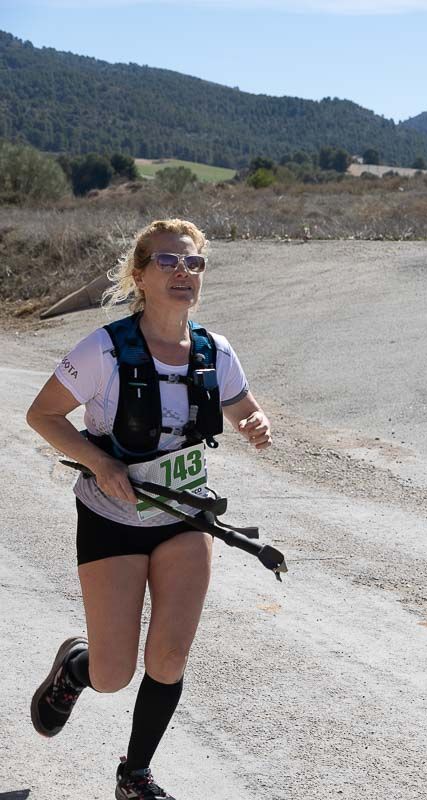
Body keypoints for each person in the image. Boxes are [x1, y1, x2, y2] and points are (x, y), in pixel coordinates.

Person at [25, 219, 272, 800]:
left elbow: (243, 409)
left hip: (186, 518)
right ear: (139, 275)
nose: (183, 273)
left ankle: (135, 774)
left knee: (168, 655)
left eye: (193, 263)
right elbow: (44, 415)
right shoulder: (104, 349)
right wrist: (102, 463)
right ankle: (75, 669)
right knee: (114, 674)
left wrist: (257, 425)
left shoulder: (215, 350)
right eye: (167, 262)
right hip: (111, 518)